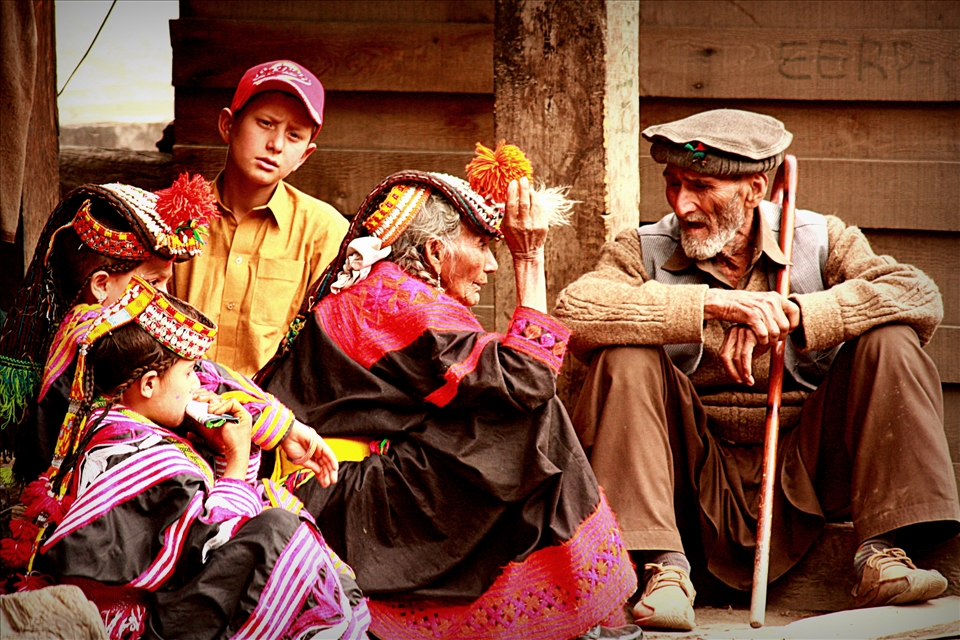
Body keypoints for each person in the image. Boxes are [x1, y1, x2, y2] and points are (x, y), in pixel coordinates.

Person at [554, 109, 960, 630]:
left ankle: (882, 553)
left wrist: (799, 314)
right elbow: (576, 311)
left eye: (701, 186)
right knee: (623, 355)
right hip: (688, 476)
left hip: (806, 467)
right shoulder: (644, 247)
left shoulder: (820, 240)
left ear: (754, 188)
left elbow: (918, 293)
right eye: (673, 184)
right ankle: (661, 570)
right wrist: (712, 309)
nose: (682, 204)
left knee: (892, 339)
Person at [257, 143, 641, 640]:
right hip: (338, 498)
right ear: (435, 252)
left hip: (340, 487)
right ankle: (584, 602)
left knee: (510, 409)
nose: (492, 265)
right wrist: (530, 258)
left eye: (499, 250)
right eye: (482, 246)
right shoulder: (403, 303)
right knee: (528, 410)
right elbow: (529, 376)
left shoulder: (384, 289)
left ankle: (572, 599)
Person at [2, 276, 369, 639]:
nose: (199, 384)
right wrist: (236, 456)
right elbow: (215, 547)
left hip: (157, 606)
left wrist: (218, 448)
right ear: (148, 384)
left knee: (275, 512)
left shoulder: (114, 419)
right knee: (277, 532)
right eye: (190, 372)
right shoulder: (144, 456)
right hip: (136, 624)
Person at [0, 176, 336, 493]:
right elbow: (208, 375)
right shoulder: (102, 341)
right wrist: (283, 429)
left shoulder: (85, 327)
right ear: (101, 285)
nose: (164, 298)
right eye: (154, 283)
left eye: (166, 283)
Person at [172, 59, 349, 377]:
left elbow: (328, 353)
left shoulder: (324, 232)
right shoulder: (174, 215)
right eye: (266, 123)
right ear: (228, 125)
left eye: (294, 136)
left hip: (274, 415)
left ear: (304, 155)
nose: (276, 145)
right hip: (170, 409)